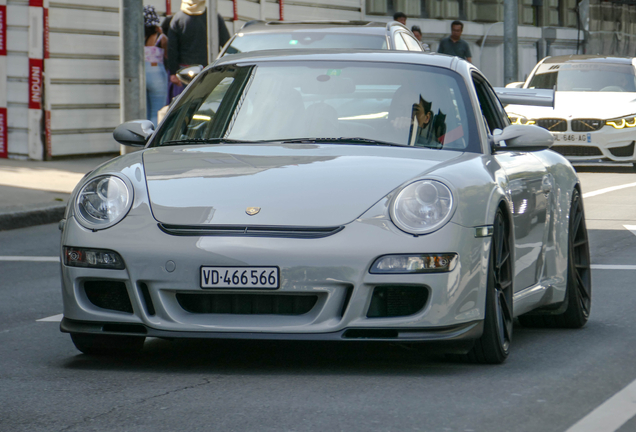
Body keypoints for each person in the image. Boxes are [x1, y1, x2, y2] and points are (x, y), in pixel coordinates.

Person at [167, 0, 231, 97]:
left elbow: (172, 48)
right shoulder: (213, 17)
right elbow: (226, 43)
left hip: (186, 71)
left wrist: (173, 72)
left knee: (188, 101)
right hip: (210, 67)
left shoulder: (177, 18)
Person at [143, 5, 168, 125]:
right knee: (157, 112)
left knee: (145, 112)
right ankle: (154, 140)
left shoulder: (136, 36)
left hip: (142, 72)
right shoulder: (159, 35)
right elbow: (168, 54)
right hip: (156, 71)